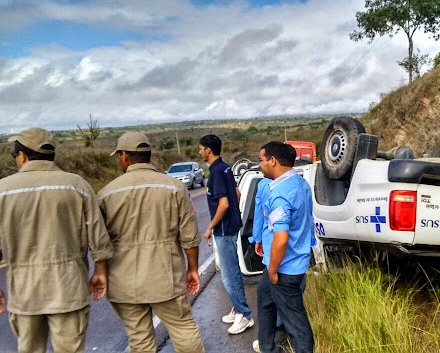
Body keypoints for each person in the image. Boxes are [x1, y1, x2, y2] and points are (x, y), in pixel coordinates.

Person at [0, 127, 113, 353]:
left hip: (24, 292)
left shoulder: (3, 190)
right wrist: (100, 269)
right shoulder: (76, 185)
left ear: (23, 156)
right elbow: (98, 235)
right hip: (69, 287)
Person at [98, 132, 204, 353]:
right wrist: (192, 268)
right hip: (166, 277)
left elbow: (99, 241)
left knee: (139, 338)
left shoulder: (107, 193)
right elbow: (189, 236)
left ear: (125, 156)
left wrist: (100, 271)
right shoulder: (174, 187)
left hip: (123, 281)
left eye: (119, 156)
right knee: (183, 328)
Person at [256, 141, 315, 353]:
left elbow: (281, 239)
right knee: (265, 303)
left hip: (283, 267)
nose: (260, 165)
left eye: (261, 160)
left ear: (273, 161)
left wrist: (272, 270)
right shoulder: (300, 184)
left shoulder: (280, 194)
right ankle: (266, 347)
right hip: (287, 262)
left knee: (296, 324)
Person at [198, 134, 254, 335]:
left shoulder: (215, 173)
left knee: (229, 275)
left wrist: (210, 227)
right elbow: (237, 194)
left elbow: (224, 203)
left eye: (201, 148)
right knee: (232, 270)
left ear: (208, 150)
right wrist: (232, 217)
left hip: (223, 229)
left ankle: (245, 315)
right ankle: (237, 307)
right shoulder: (226, 168)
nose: (199, 152)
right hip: (230, 226)